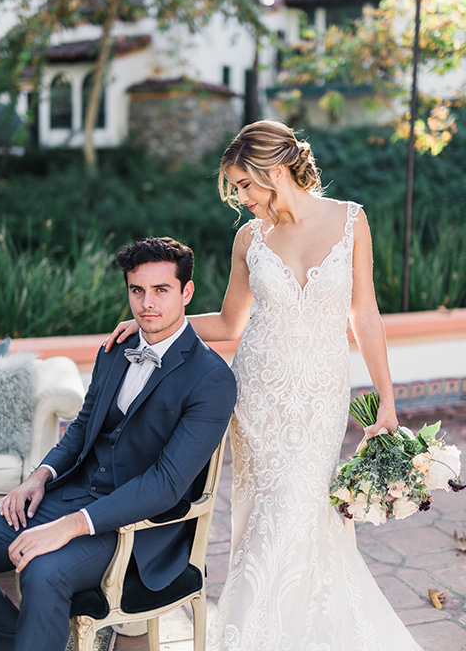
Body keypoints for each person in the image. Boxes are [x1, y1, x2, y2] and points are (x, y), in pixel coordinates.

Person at [105, 121, 424, 650]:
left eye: (244, 185)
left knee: (303, 512)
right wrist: (150, 322)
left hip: (320, 398)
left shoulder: (351, 221)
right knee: (262, 521)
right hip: (257, 400)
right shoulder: (249, 238)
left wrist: (387, 402)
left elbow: (365, 314)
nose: (240, 198)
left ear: (276, 172)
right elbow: (231, 324)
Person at [0, 236, 236, 651]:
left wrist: (69, 527)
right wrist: (40, 477)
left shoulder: (212, 379)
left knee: (41, 569)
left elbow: (166, 484)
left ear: (186, 292)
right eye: (137, 290)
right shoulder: (116, 350)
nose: (147, 304)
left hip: (131, 528)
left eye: (161, 290)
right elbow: (83, 428)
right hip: (64, 494)